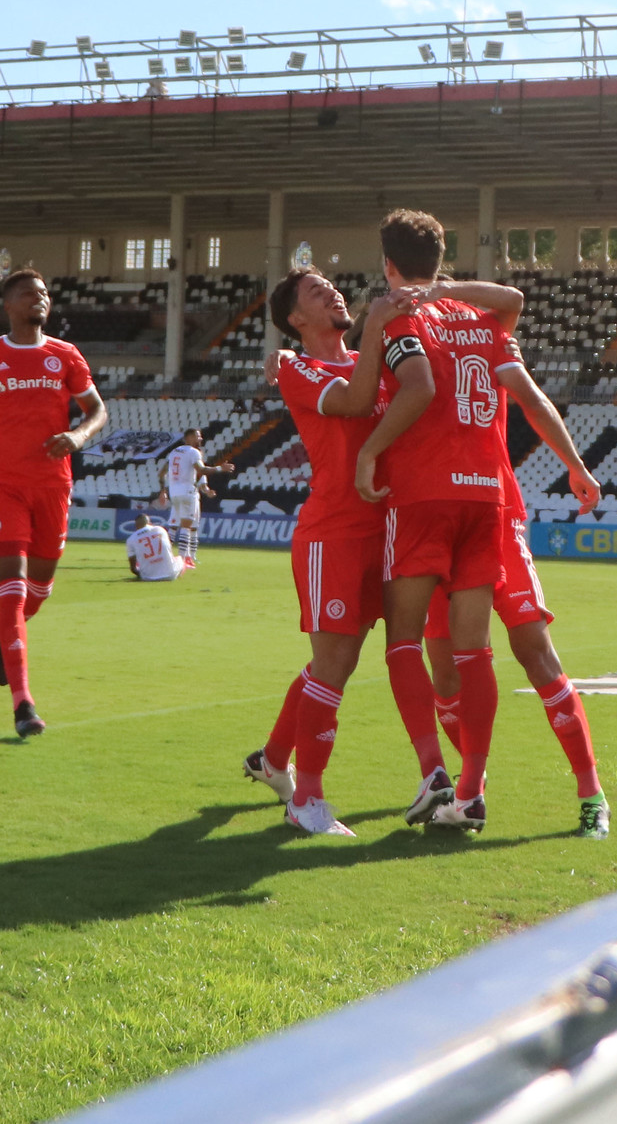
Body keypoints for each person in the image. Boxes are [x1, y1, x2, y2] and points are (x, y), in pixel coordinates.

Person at [246, 269, 465, 836]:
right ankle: (307, 801)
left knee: (340, 660)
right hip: (335, 534)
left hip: (389, 529)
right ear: (296, 320)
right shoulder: (298, 368)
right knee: (334, 665)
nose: (333, 293)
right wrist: (373, 329)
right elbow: (355, 401)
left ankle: (274, 760)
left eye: (333, 288)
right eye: (317, 293)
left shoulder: (375, 362)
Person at [418, 301, 613, 840]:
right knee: (446, 673)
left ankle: (592, 795)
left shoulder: (479, 331)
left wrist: (575, 464)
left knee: (535, 652)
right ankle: (471, 789)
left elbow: (529, 389)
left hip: (495, 516)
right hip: (435, 521)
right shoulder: (410, 335)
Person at [354, 210, 522, 834]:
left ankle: (433, 772)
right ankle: (472, 792)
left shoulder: (400, 314)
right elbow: (513, 298)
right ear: (440, 258)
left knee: (403, 637)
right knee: (475, 648)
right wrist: (448, 287)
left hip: (425, 493)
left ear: (388, 263)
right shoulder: (478, 315)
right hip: (486, 495)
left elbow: (418, 387)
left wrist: (369, 451)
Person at [0, 268, 109, 737]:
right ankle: (23, 704)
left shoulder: (65, 354)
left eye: (43, 292)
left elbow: (97, 409)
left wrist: (78, 436)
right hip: (3, 483)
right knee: (13, 590)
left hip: (53, 484)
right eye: (27, 293)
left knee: (37, 592)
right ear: (8, 305)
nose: (38, 298)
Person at [155, 428, 235, 569]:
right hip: (187, 491)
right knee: (186, 527)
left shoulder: (174, 452)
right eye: (198, 436)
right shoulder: (193, 452)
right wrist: (220, 468)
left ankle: (163, 557)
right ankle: (183, 559)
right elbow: (202, 470)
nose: (200, 439)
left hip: (174, 492)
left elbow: (161, 473)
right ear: (189, 437)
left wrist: (163, 491)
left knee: (175, 526)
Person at [125, 512, 182, 582]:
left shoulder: (131, 539)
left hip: (147, 577)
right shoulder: (160, 529)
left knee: (140, 563)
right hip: (170, 575)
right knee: (180, 559)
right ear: (150, 523)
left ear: (136, 526)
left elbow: (133, 569)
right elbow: (169, 550)